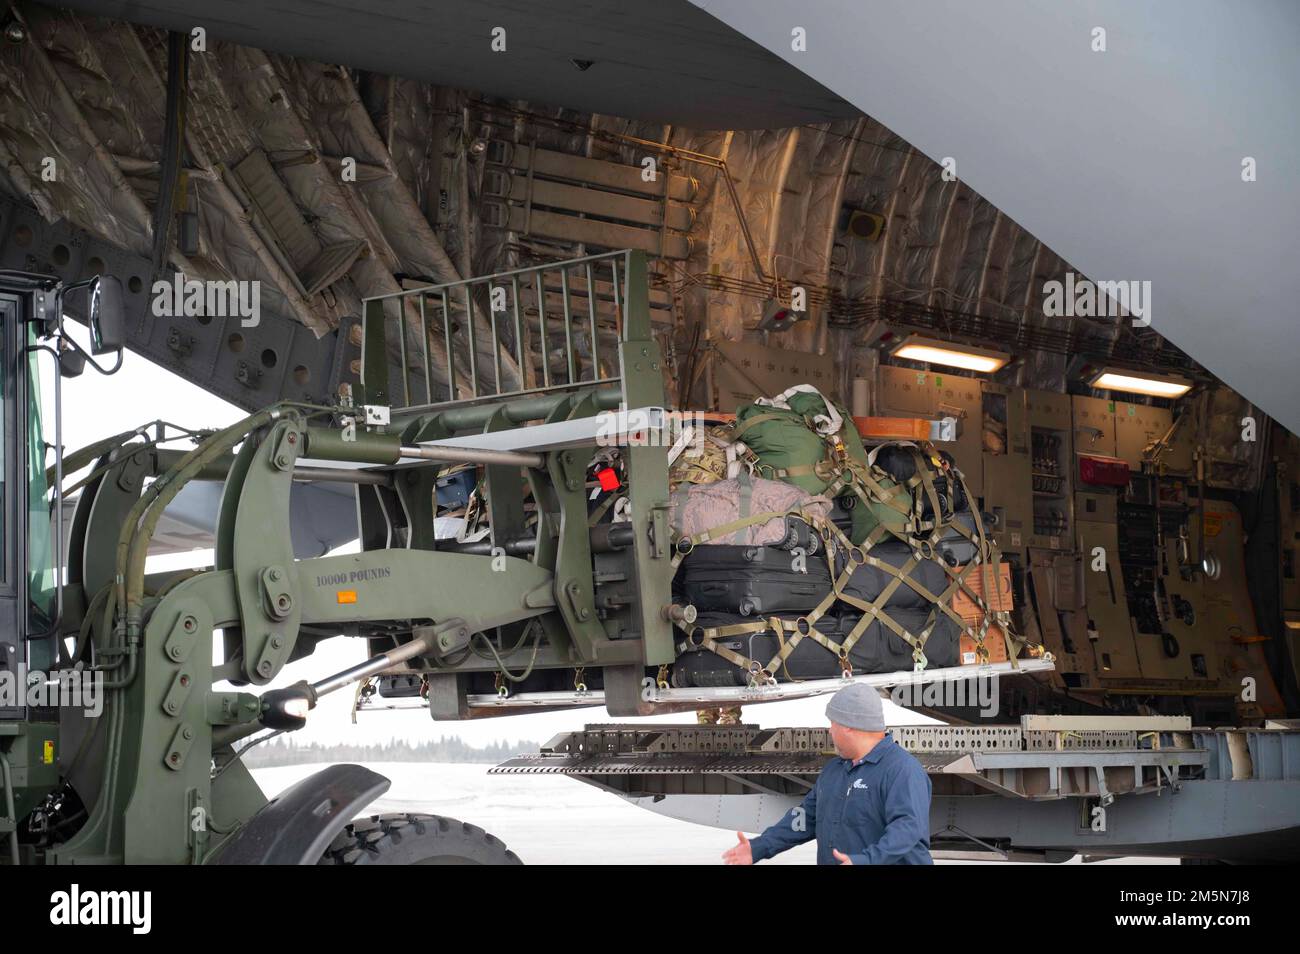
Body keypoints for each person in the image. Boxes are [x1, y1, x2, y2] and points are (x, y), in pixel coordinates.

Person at [721, 683, 932, 865]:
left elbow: (907, 830)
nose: (830, 731)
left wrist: (865, 861)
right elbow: (804, 818)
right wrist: (758, 847)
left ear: (849, 725)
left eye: (833, 723)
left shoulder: (902, 770)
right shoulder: (834, 770)